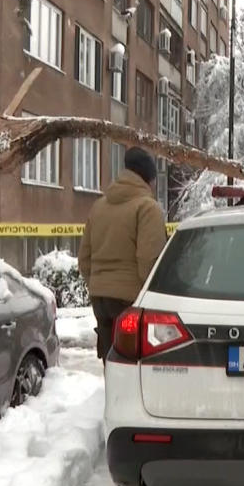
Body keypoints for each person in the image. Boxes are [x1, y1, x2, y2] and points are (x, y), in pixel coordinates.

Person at [78, 147, 168, 364]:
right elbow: (148, 262)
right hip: (130, 300)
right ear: (148, 178)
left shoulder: (99, 206)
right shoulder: (147, 208)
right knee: (132, 366)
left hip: (100, 298)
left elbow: (84, 258)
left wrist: (99, 282)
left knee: (110, 361)